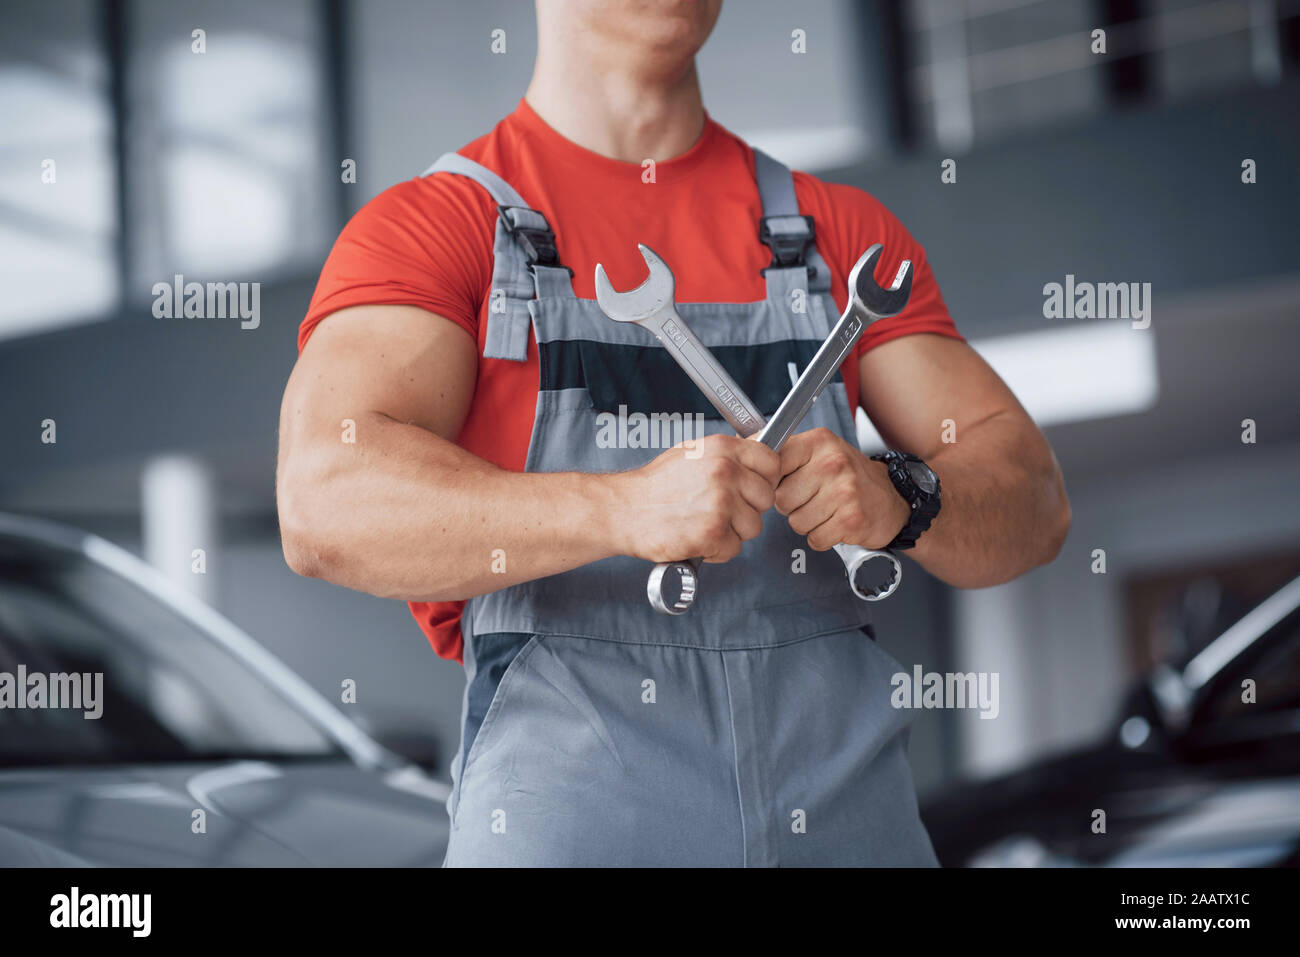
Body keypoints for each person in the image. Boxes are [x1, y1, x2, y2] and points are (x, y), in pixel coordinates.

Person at [276, 0, 1070, 866]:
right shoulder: (441, 228)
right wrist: (618, 510)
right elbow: (324, 495)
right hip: (575, 825)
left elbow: (1033, 496)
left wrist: (901, 497)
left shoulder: (834, 235)